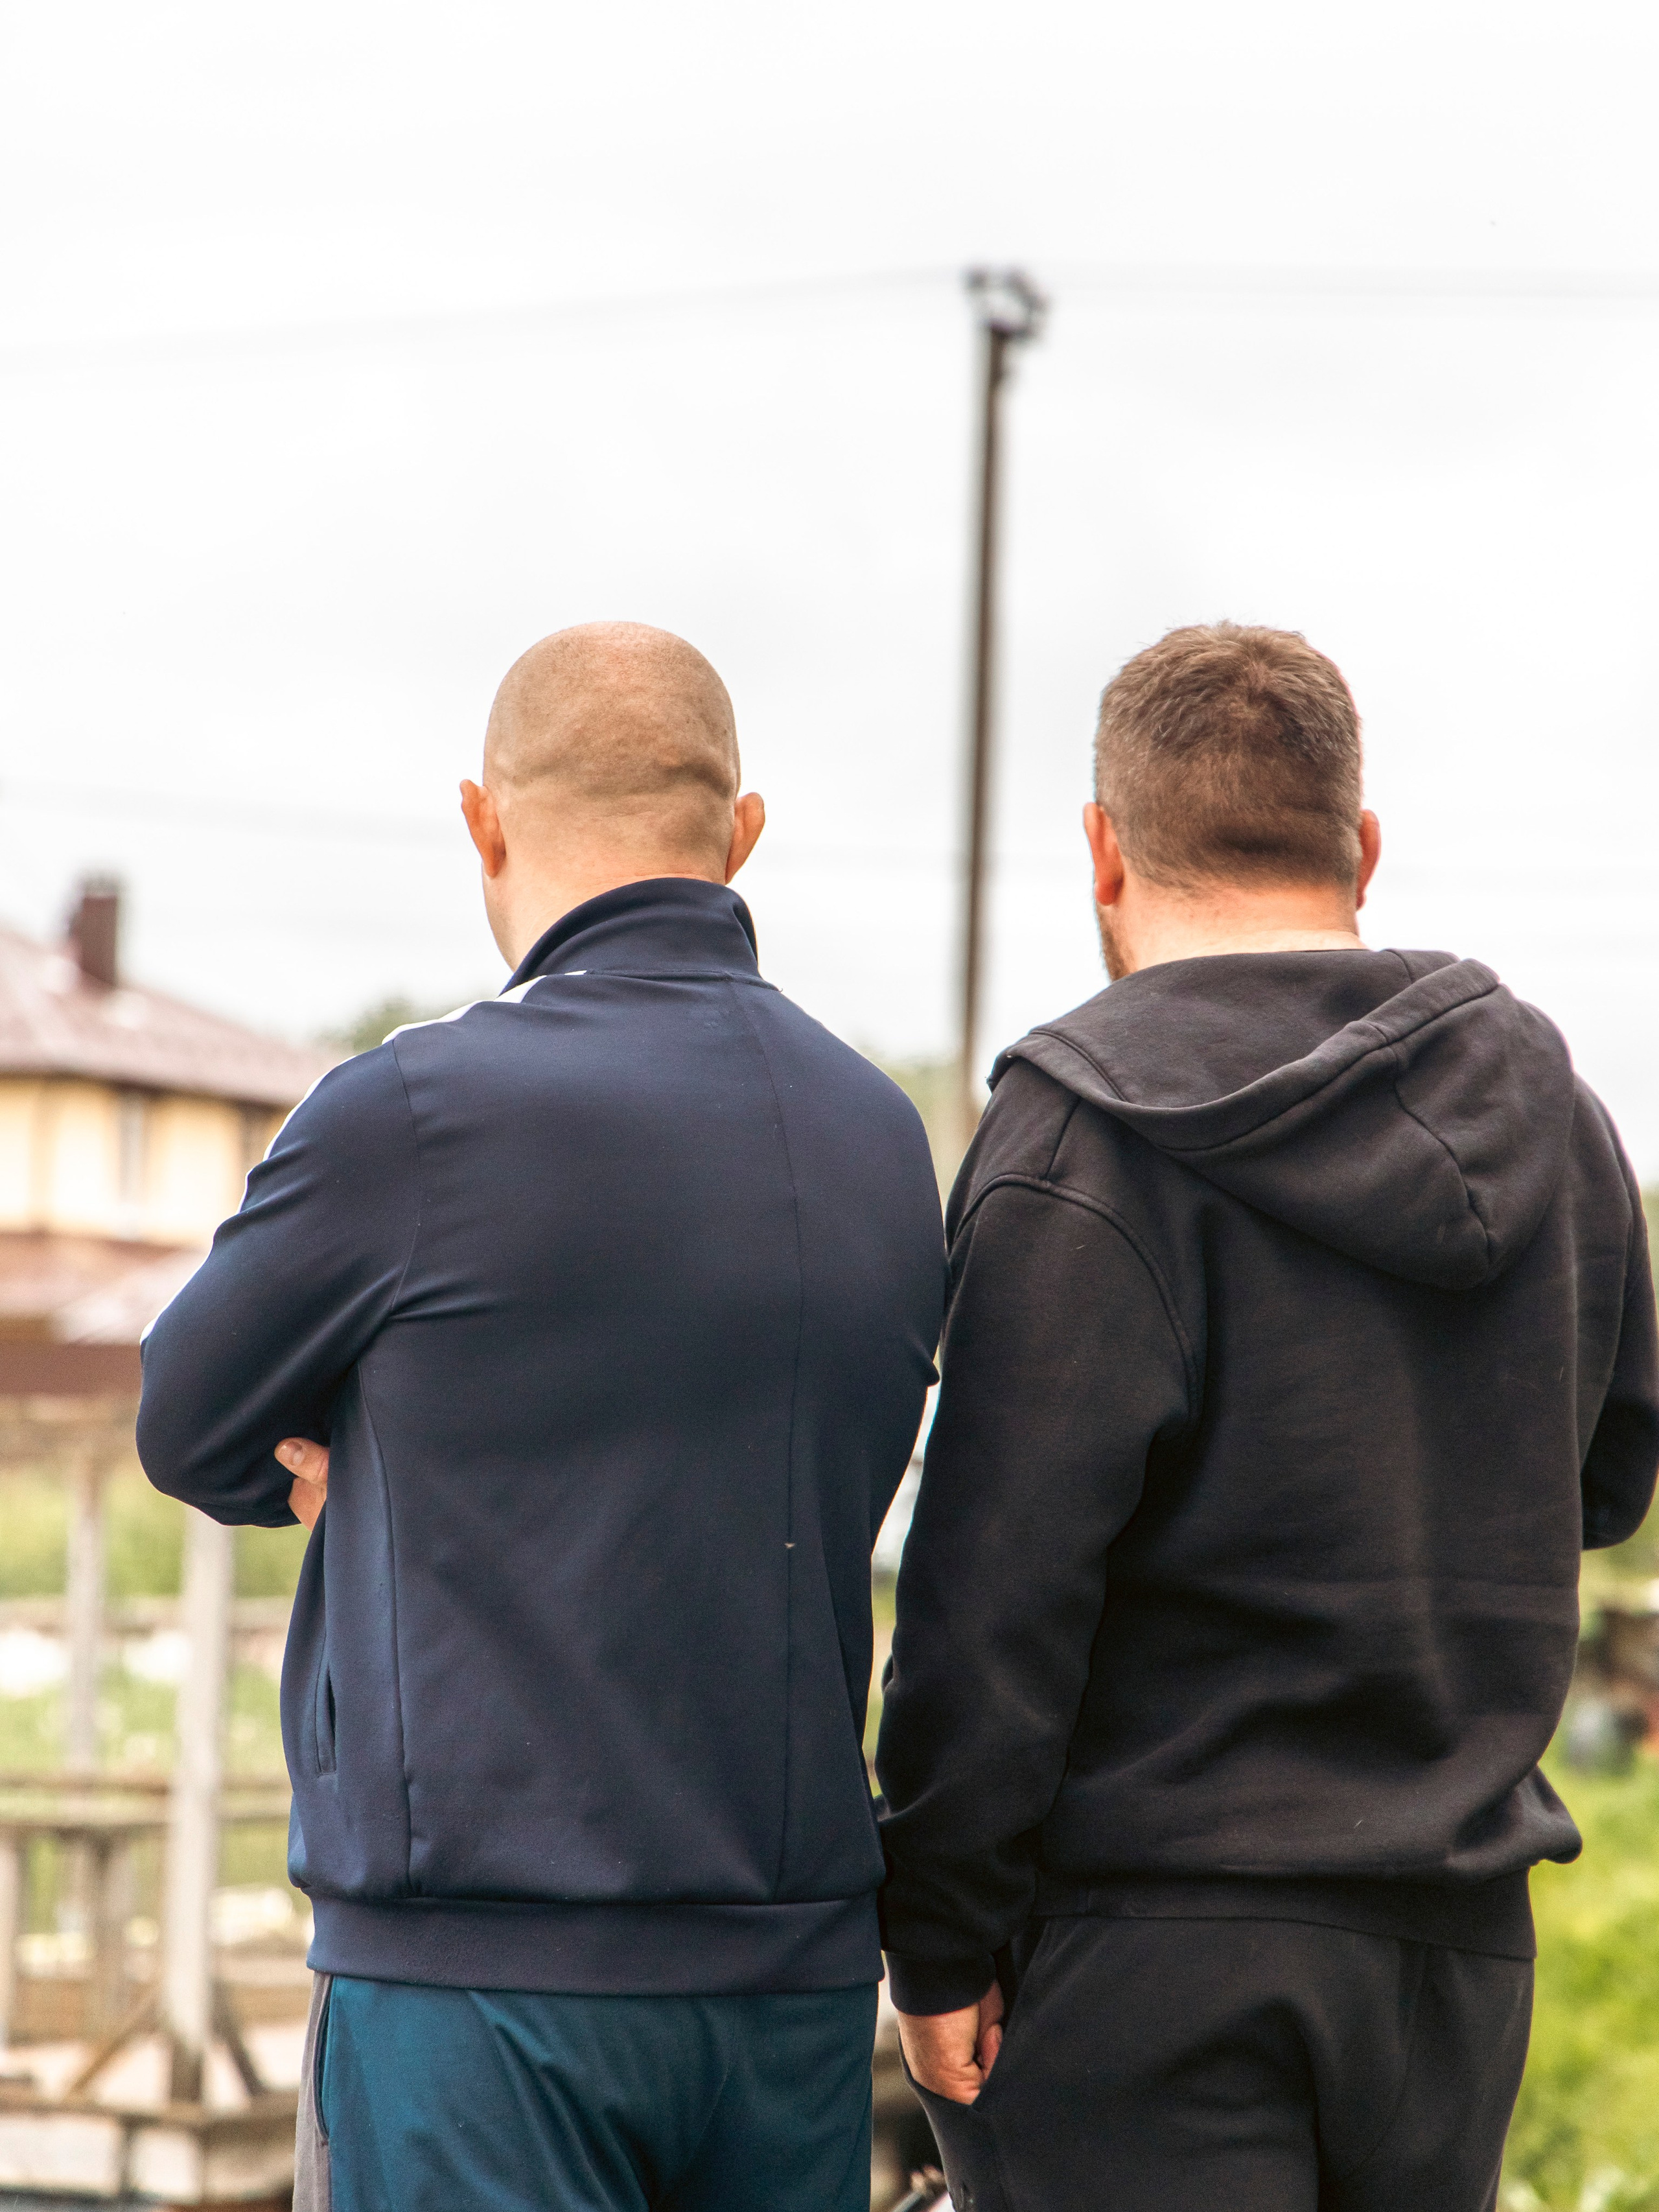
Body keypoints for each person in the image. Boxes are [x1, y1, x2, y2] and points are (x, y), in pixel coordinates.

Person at [137, 622, 945, 2212]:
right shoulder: (877, 1137)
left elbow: (189, 1417)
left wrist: (356, 1465)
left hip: (476, 1986)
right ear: (742, 832)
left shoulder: (411, 1114)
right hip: (786, 1984)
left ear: (482, 823)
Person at [876, 622, 1659, 2212]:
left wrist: (935, 1937)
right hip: (1450, 1959)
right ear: (1360, 847)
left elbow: (993, 1591)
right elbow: (1605, 1473)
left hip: (1143, 1959)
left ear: (1102, 851)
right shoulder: (1553, 1118)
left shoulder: (1079, 1139)